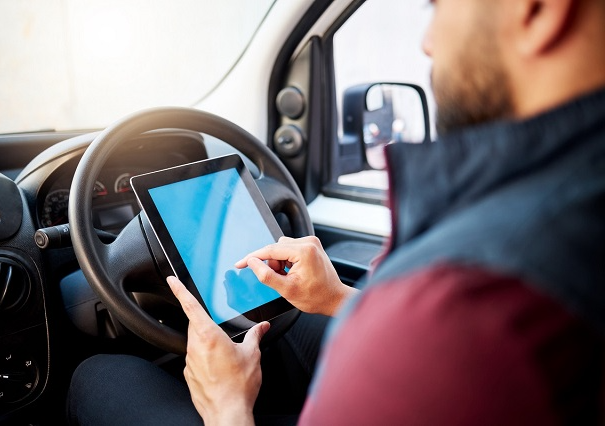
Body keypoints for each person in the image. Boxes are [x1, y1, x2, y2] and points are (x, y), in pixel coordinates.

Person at [67, 0, 605, 424]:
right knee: (294, 326)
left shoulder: (469, 304)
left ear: (536, 8)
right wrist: (340, 299)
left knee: (102, 376)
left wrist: (226, 407)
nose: (428, 41)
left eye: (437, 6)